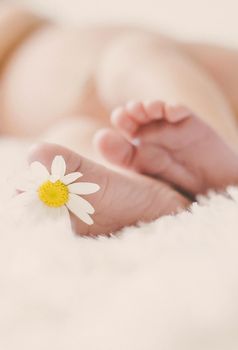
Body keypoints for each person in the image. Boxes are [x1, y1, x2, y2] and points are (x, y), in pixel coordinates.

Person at [2, 5, 238, 235]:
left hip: (157, 78)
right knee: (61, 149)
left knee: (132, 56)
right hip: (117, 140)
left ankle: (220, 149)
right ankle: (144, 190)